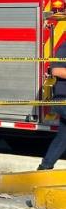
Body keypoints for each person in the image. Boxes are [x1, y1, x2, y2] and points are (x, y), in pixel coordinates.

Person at [40, 42, 66, 170]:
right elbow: (57, 70)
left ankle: (44, 168)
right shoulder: (64, 47)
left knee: (63, 137)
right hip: (63, 99)